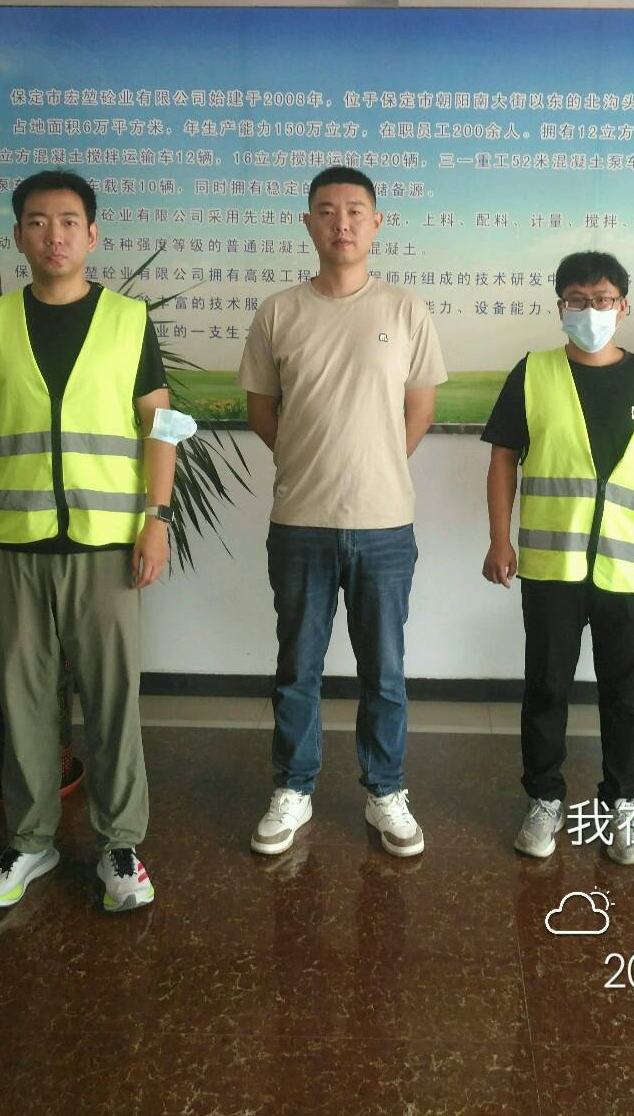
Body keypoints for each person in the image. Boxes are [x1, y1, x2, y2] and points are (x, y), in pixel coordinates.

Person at [0, 170, 175, 912]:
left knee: (113, 702)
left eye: (70, 221)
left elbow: (162, 424)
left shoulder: (128, 320)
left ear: (93, 234)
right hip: (17, 544)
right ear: (18, 235)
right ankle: (30, 841)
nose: (55, 235)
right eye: (39, 221)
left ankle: (120, 845)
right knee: (22, 702)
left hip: (107, 546)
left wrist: (157, 518)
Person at [239, 165, 446, 858]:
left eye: (355, 210)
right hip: (301, 522)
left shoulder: (406, 311)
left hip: (385, 527)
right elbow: (262, 411)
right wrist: (311, 461)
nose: (342, 223)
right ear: (308, 223)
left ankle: (386, 790)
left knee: (383, 671)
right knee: (297, 667)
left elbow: (420, 410)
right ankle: (293, 788)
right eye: (326, 211)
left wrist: (376, 463)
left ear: (377, 222)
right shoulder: (279, 312)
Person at [480, 250, 634, 863]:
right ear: (560, 307)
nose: (590, 311)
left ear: (623, 307)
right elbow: (503, 458)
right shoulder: (534, 373)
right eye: (577, 300)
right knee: (546, 687)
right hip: (553, 565)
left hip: (631, 565)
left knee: (625, 695)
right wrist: (499, 538)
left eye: (602, 300)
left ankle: (622, 805)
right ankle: (544, 800)